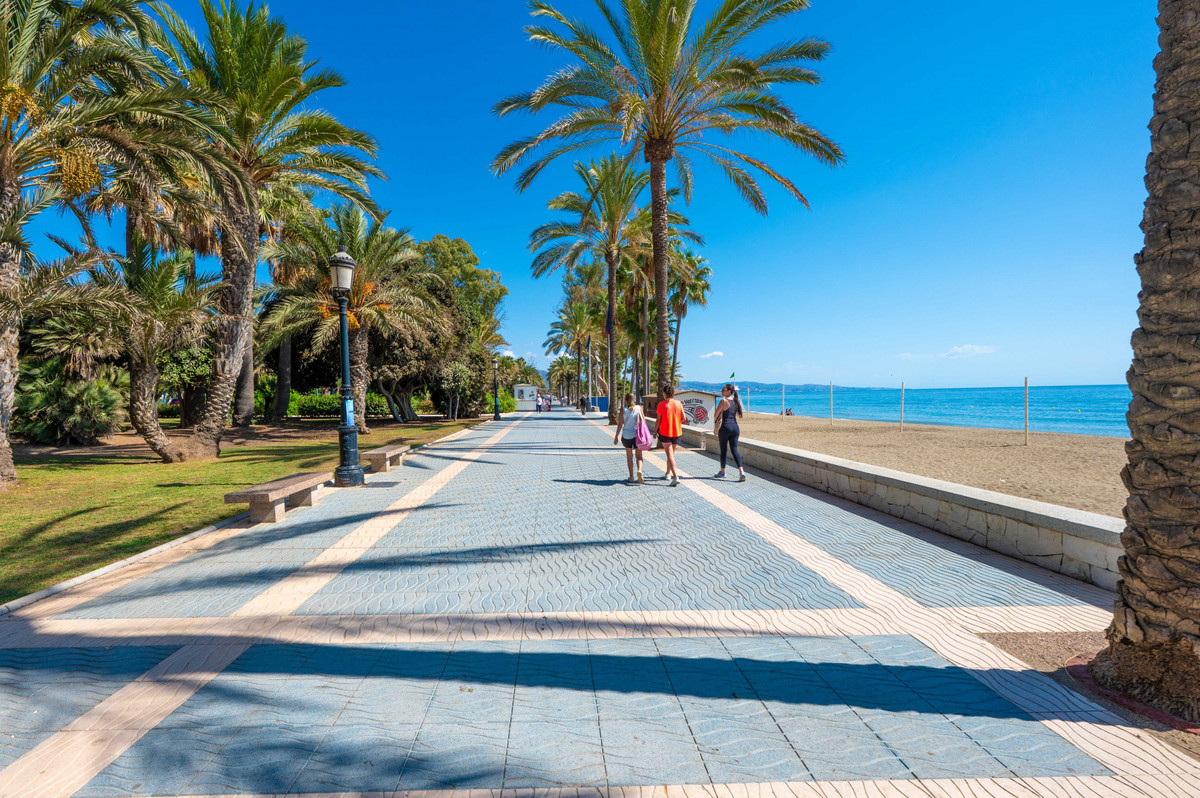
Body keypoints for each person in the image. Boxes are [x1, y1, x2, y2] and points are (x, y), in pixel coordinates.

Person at [713, 383, 746, 482]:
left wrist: (716, 421)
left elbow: (715, 415)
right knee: (734, 450)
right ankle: (741, 472)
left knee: (723, 450)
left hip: (725, 427)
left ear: (729, 391)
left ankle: (723, 472)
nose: (721, 391)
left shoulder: (723, 401)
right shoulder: (736, 401)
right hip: (735, 427)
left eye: (723, 390)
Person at [654, 384, 685, 487]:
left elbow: (658, 420)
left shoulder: (662, 404)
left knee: (670, 455)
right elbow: (684, 417)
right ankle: (668, 473)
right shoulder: (678, 403)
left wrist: (655, 431)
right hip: (677, 432)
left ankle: (675, 477)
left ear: (664, 393)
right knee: (671, 454)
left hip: (665, 432)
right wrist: (675, 421)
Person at [613, 393, 645, 484]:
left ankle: (631, 476)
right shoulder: (638, 408)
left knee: (629, 457)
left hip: (626, 436)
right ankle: (640, 471)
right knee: (639, 456)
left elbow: (620, 424)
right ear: (634, 399)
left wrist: (616, 436)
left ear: (626, 400)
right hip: (637, 436)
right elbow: (643, 421)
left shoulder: (623, 410)